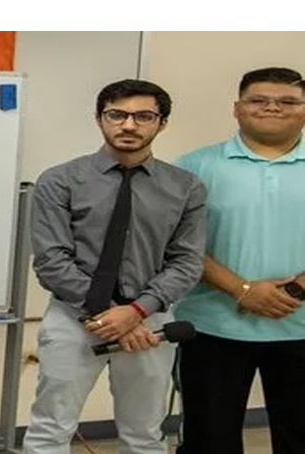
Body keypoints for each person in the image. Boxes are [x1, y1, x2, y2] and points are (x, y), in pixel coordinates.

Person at [23, 79, 207, 454]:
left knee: (145, 435)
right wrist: (109, 315)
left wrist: (136, 312)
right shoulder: (60, 181)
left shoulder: (185, 187)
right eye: (117, 115)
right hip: (73, 317)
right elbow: (51, 260)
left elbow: (187, 261)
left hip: (149, 322)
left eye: (143, 116)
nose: (128, 125)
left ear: (161, 123)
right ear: (99, 119)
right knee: (50, 430)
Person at [173, 67, 305, 454]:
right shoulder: (194, 167)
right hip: (213, 326)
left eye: (287, 101)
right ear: (237, 109)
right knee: (210, 440)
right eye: (258, 100)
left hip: (300, 327)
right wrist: (242, 290)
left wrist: (298, 287)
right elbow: (179, 245)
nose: (271, 108)